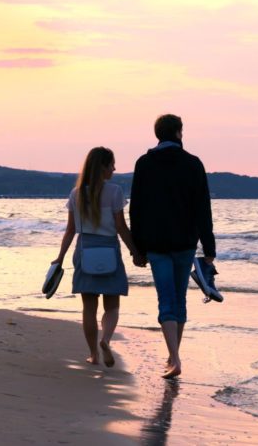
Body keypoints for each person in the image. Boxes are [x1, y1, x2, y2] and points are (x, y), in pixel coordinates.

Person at [130, 114, 216, 379]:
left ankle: (174, 358)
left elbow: (137, 208)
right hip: (184, 242)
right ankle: (173, 356)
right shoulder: (193, 164)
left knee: (165, 300)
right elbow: (203, 207)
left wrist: (137, 248)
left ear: (158, 134)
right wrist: (209, 247)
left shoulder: (144, 163)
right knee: (179, 300)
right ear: (179, 133)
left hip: (155, 243)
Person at [53, 147, 140, 367]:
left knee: (89, 308)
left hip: (84, 250)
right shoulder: (115, 191)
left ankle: (93, 354)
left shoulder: (76, 193)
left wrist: (60, 257)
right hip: (109, 250)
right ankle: (106, 339)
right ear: (103, 167)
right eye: (112, 164)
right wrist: (135, 250)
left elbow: (70, 230)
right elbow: (120, 226)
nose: (114, 168)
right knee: (112, 306)